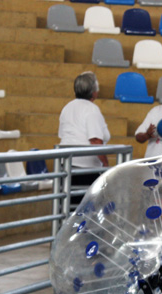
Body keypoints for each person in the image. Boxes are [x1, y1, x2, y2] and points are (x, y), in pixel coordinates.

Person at [58, 71, 110, 204]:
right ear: (93, 91)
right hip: (85, 169)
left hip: (66, 165)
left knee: (67, 206)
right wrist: (105, 165)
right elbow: (95, 141)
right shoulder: (91, 109)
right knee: (84, 208)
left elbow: (62, 135)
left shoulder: (67, 107)